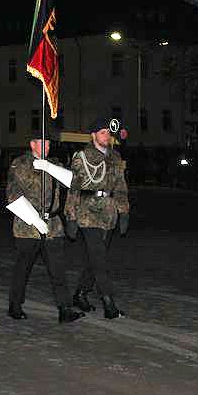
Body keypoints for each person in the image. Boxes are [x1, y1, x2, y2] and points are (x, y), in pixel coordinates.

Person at [5, 129, 84, 323]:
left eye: (48, 143)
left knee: (58, 270)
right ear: (32, 144)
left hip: (53, 226)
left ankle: (65, 308)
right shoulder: (20, 164)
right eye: (42, 142)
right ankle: (15, 305)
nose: (47, 146)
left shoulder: (54, 164)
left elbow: (75, 182)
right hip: (27, 226)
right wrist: (35, 219)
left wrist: (50, 168)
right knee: (23, 269)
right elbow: (13, 195)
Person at [64, 117, 130, 319]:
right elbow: (73, 188)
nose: (106, 136)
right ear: (93, 135)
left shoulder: (115, 157)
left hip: (108, 213)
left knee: (94, 259)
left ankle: (80, 293)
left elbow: (120, 186)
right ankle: (108, 302)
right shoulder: (82, 157)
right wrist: (70, 216)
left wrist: (124, 211)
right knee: (99, 258)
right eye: (102, 132)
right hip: (88, 212)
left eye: (108, 132)